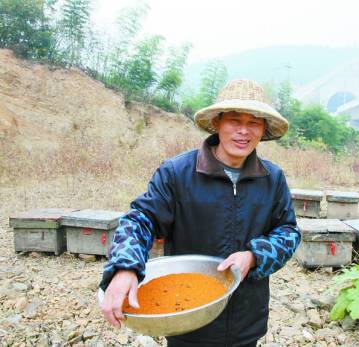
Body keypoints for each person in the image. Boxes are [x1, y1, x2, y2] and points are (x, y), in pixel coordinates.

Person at [99, 79, 301, 347]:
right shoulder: (177, 173)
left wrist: (254, 256)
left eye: (253, 122)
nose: (243, 131)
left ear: (263, 129)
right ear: (217, 122)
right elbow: (141, 219)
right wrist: (125, 267)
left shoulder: (272, 178)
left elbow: (288, 232)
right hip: (185, 318)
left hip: (246, 319)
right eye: (234, 120)